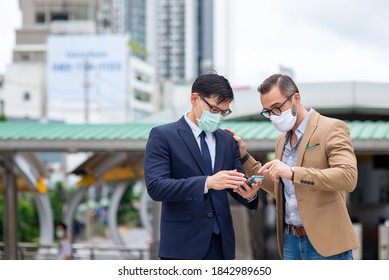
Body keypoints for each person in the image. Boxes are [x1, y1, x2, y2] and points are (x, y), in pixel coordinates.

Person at [227, 74, 359, 260]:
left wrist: (292, 172)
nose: (273, 116)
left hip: (326, 243)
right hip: (290, 242)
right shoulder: (282, 139)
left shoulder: (331, 128)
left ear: (296, 98)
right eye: (267, 111)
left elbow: (348, 177)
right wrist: (244, 157)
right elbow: (281, 189)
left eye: (277, 108)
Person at [144, 73, 260, 260]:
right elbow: (156, 187)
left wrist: (249, 193)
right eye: (214, 110)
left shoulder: (227, 140)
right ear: (194, 99)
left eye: (224, 112)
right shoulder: (163, 136)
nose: (219, 117)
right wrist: (207, 182)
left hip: (222, 244)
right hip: (182, 245)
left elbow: (235, 182)